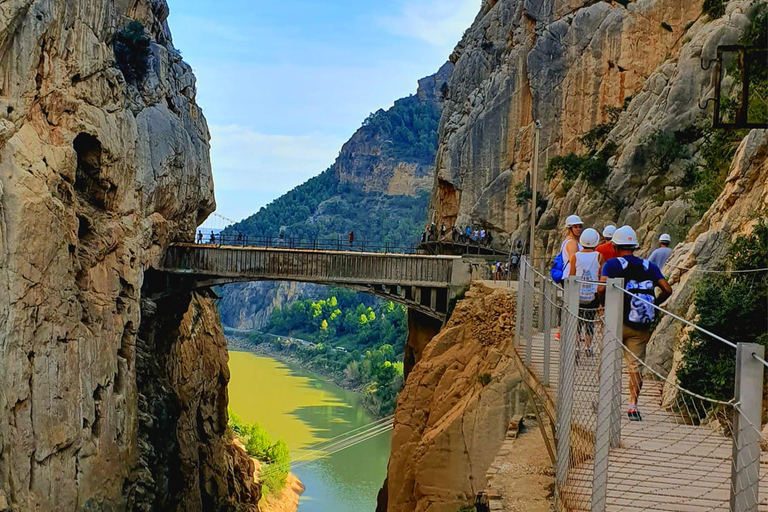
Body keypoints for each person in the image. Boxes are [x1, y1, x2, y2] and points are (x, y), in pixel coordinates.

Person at [599, 225, 672, 422]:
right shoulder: (649, 267)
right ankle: (632, 405)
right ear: (634, 246)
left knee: (608, 360)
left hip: (616, 320)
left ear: (615, 247)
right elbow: (667, 289)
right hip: (641, 325)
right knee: (635, 366)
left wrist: (602, 304)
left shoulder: (612, 265)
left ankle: (604, 401)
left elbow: (600, 288)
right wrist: (654, 303)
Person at [569, 228, 604, 354]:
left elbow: (571, 275)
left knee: (578, 321)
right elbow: (601, 274)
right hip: (593, 294)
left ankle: (577, 345)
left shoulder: (575, 256)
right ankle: (588, 347)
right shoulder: (599, 256)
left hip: (578, 294)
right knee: (590, 322)